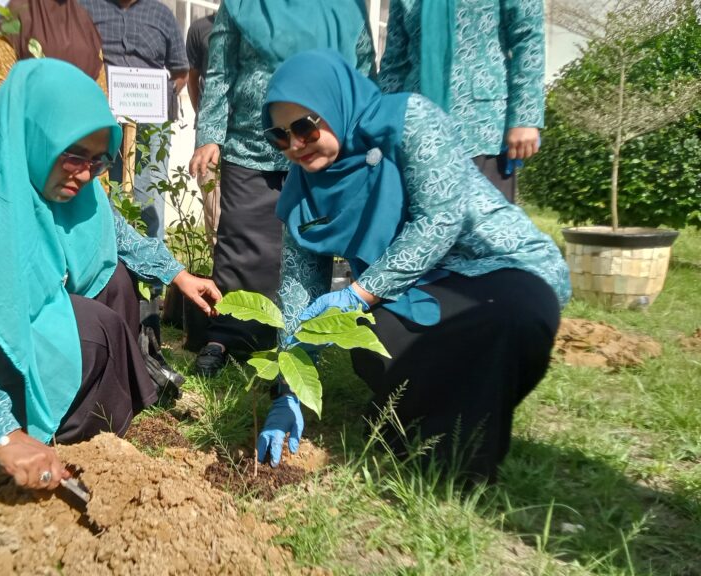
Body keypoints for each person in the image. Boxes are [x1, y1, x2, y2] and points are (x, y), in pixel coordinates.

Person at [0, 59, 220, 490]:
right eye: (74, 156)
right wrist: (0, 433)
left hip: (3, 319)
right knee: (96, 330)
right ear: (36, 134)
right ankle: (55, 435)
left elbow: (115, 231)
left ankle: (102, 422)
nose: (86, 173)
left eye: (98, 160)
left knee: (116, 283)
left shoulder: (45, 170)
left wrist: (178, 275)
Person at [257, 50, 570, 480]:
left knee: (510, 318)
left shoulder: (407, 120)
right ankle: (421, 434)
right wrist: (287, 390)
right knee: (376, 343)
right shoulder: (304, 186)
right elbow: (298, 284)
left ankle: (462, 462)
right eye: (280, 135)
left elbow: (440, 219)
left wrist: (357, 294)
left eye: (306, 128)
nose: (294, 145)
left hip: (494, 266)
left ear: (335, 106)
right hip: (406, 287)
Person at [188, 0, 376, 376]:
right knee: (242, 246)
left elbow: (364, 70)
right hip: (253, 141)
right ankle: (225, 336)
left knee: (310, 248)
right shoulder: (241, 5)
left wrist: (363, 137)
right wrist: (209, 135)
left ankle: (298, 351)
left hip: (322, 146)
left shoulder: (347, 6)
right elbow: (220, 69)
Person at [377, 0, 545, 202]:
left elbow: (528, 37)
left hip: (483, 127)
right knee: (426, 223)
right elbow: (395, 61)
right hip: (418, 130)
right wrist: (385, 124)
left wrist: (524, 118)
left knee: (487, 228)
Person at [79, 0, 189, 243]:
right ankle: (106, 266)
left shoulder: (162, 14)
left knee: (150, 196)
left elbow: (181, 72)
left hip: (152, 126)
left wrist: (156, 96)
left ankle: (153, 275)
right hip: (99, 121)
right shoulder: (85, 7)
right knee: (100, 192)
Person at [0, 0, 107, 93]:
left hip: (81, 118)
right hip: (30, 118)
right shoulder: (15, 14)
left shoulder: (84, 21)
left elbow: (100, 93)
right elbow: (1, 85)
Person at [185, 12, 220, 246]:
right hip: (209, 138)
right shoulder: (200, 28)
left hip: (250, 140)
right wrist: (204, 118)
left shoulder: (259, 24)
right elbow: (192, 78)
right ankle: (221, 275)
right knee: (213, 210)